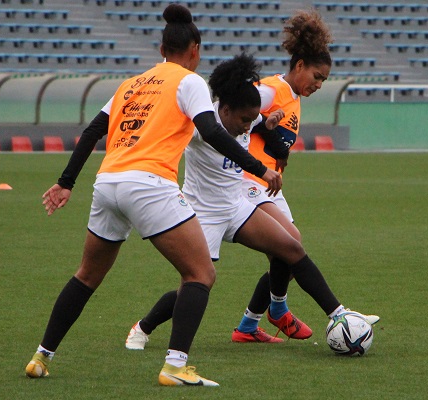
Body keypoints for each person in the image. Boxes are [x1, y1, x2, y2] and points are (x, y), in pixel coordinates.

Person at [24, 4, 282, 387]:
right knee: (200, 273)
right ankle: (175, 367)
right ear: (194, 49)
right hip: (149, 184)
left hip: (108, 181)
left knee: (87, 276)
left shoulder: (132, 83)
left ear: (162, 47)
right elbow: (212, 132)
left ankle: (40, 357)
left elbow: (94, 130)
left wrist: (66, 182)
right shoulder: (189, 81)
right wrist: (261, 168)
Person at [124, 53, 378, 350]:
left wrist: (266, 124)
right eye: (244, 120)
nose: (248, 126)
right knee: (197, 283)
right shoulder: (198, 126)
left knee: (291, 248)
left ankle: (339, 315)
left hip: (236, 206)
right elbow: (167, 135)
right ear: (225, 110)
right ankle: (143, 327)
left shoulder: (247, 115)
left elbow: (256, 123)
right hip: (204, 215)